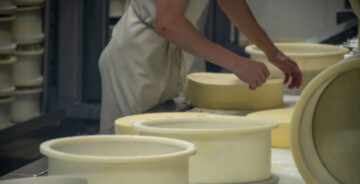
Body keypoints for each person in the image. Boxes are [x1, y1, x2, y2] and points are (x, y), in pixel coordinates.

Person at [98, 0, 302, 131]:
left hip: (168, 52)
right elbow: (168, 23)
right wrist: (237, 64)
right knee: (131, 147)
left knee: (160, 139)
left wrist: (272, 53)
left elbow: (231, 3)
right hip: (137, 59)